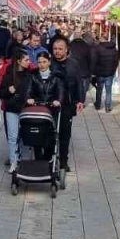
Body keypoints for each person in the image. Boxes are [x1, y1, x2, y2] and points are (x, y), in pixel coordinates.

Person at [50, 36, 86, 172]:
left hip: (67, 104)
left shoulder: (74, 64)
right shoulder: (49, 63)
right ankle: (49, 158)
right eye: (55, 49)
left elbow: (79, 83)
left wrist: (81, 100)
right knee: (50, 133)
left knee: (65, 134)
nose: (57, 51)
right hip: (51, 104)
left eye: (60, 49)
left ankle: (64, 161)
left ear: (66, 50)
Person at [0, 52, 36, 171]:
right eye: (26, 60)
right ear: (19, 61)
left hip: (25, 109)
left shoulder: (29, 75)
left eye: (28, 59)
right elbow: (1, 93)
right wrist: (9, 91)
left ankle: (23, 159)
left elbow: (33, 91)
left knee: (24, 135)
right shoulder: (9, 75)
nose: (28, 62)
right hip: (12, 109)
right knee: (12, 136)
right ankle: (13, 161)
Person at [90, 28, 120, 112]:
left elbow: (94, 60)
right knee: (108, 90)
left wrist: (93, 72)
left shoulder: (98, 48)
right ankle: (108, 107)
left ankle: (98, 105)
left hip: (100, 73)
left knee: (99, 89)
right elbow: (116, 61)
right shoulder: (114, 49)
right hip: (110, 73)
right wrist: (113, 70)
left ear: (102, 38)